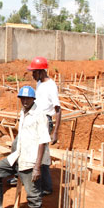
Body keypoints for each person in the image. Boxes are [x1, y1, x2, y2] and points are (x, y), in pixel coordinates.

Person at [0, 86, 51, 208]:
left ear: (33, 99)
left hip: (30, 161)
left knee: (33, 196)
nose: (24, 101)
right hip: (18, 156)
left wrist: (37, 167)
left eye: (27, 98)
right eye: (22, 98)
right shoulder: (24, 112)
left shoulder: (39, 115)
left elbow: (43, 141)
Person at [28, 56, 61, 196]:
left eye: (34, 72)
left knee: (42, 154)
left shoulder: (51, 86)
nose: (32, 75)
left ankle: (46, 186)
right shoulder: (39, 83)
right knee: (35, 150)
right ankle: (27, 177)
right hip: (37, 119)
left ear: (41, 71)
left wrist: (55, 132)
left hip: (46, 121)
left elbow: (58, 110)